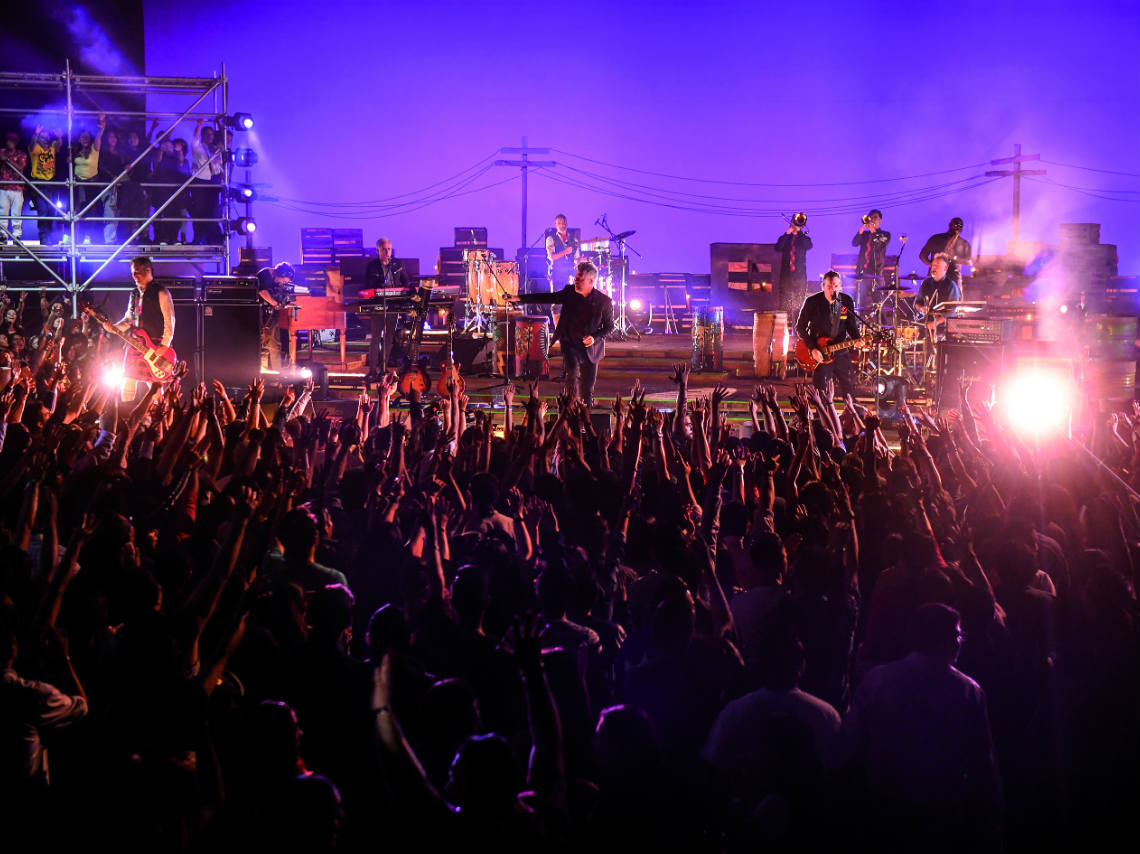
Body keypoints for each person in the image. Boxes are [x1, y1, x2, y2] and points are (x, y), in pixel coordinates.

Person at [514, 260, 614, 407]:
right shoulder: (569, 292)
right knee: (571, 375)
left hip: (591, 348)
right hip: (570, 343)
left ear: (591, 281)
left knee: (588, 388)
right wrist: (519, 299)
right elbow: (548, 297)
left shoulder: (603, 302)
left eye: (580, 279)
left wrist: (594, 337)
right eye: (576, 278)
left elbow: (610, 327)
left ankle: (587, 412)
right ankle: (570, 408)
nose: (576, 281)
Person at [102, 255, 175, 398]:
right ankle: (125, 415)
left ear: (148, 271)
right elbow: (128, 320)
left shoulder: (161, 292)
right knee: (128, 378)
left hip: (154, 343)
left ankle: (160, 414)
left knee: (155, 384)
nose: (134, 276)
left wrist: (165, 344)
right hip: (135, 343)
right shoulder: (133, 294)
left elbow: (169, 320)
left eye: (137, 272)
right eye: (132, 273)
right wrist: (113, 327)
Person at [795, 270, 860, 399]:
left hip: (840, 351)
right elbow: (800, 327)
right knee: (821, 392)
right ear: (823, 286)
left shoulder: (846, 301)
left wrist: (857, 338)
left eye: (836, 286)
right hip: (820, 353)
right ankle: (822, 417)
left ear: (840, 286)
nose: (833, 290)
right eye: (829, 287)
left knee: (849, 389)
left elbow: (851, 325)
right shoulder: (812, 301)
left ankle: (852, 416)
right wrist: (812, 348)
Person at [364, 238, 414, 372]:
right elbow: (368, 285)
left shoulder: (397, 264)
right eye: (384, 249)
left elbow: (406, 282)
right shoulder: (372, 266)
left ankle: (384, 366)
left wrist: (402, 293)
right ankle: (373, 368)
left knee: (390, 335)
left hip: (394, 303)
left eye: (389, 249)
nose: (387, 252)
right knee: (376, 336)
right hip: (379, 303)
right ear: (378, 250)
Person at [71, 114, 105, 244]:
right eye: (82, 137)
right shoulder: (76, 150)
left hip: (91, 184)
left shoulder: (94, 149)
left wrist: (101, 128)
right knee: (75, 211)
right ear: (79, 139)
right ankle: (72, 237)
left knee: (90, 211)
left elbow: (99, 138)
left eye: (86, 137)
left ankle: (87, 237)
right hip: (78, 184)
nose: (84, 139)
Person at [257, 261, 297, 370]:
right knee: (267, 344)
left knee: (274, 344)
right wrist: (274, 303)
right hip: (260, 314)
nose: (282, 283)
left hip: (271, 315)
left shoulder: (276, 280)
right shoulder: (265, 274)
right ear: (280, 274)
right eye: (283, 281)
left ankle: (276, 374)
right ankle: (268, 374)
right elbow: (262, 292)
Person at [191, 120, 224, 245]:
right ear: (203, 135)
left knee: (212, 211)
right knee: (199, 211)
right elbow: (195, 137)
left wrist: (220, 125)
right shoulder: (198, 147)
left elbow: (224, 139)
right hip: (201, 180)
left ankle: (211, 238)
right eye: (207, 134)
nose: (210, 137)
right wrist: (199, 125)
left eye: (212, 135)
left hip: (214, 181)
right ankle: (198, 238)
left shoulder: (216, 149)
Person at [27, 126, 62, 244]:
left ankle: (51, 236)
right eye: (42, 137)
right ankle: (44, 238)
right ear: (39, 139)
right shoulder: (36, 148)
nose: (45, 140)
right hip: (39, 183)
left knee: (52, 211)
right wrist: (35, 134)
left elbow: (59, 145)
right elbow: (31, 146)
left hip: (51, 184)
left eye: (46, 137)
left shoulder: (52, 148)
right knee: (43, 211)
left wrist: (59, 136)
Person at [851, 209, 890, 310]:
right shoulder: (864, 235)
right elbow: (854, 243)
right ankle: (858, 323)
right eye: (870, 217)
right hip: (863, 272)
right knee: (860, 301)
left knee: (878, 303)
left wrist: (873, 231)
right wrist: (863, 227)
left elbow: (880, 244)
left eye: (875, 217)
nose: (872, 219)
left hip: (876, 272)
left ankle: (882, 324)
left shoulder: (885, 235)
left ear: (880, 220)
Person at [775, 215, 813, 315]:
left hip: (799, 276)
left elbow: (808, 245)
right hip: (786, 276)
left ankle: (798, 327)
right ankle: (785, 327)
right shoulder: (786, 238)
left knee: (799, 304)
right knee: (784, 302)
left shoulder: (804, 238)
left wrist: (799, 231)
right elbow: (778, 247)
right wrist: (789, 231)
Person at [919, 216, 971, 283]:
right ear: (950, 225)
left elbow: (968, 262)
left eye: (960, 225)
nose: (958, 227)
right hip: (936, 277)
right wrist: (932, 265)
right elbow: (922, 255)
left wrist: (954, 257)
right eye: (955, 224)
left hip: (953, 279)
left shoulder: (964, 243)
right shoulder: (936, 238)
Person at [0, 131, 28, 244]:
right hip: (3, 186)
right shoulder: (1, 152)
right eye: (7, 140)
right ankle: (2, 236)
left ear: (15, 142)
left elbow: (20, 168)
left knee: (16, 213)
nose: (9, 143)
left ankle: (17, 237)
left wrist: (7, 159)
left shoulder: (21, 154)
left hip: (17, 187)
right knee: (2, 212)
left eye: (11, 141)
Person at [546, 214, 578, 289]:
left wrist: (580, 260)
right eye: (559, 223)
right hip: (557, 275)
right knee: (558, 299)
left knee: (570, 299)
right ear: (556, 225)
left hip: (570, 274)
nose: (562, 225)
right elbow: (552, 257)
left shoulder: (574, 239)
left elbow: (576, 258)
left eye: (563, 223)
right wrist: (565, 252)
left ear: (566, 224)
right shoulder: (551, 239)